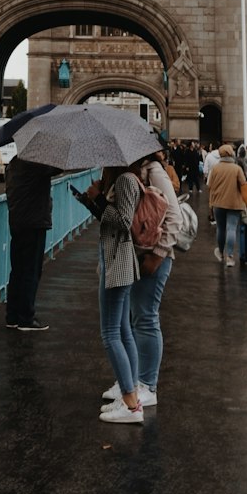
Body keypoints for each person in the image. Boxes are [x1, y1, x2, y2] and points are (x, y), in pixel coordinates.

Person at [111, 148, 181, 408]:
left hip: (153, 258)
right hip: (134, 256)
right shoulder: (127, 173)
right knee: (131, 319)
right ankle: (129, 381)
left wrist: (159, 254)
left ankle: (148, 385)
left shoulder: (153, 171)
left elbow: (175, 216)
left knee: (146, 318)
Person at [88, 164, 145, 425]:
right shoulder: (126, 179)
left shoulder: (124, 180)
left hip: (118, 260)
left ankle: (131, 404)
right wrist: (93, 201)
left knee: (110, 333)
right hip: (119, 259)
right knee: (123, 331)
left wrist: (99, 198)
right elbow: (110, 218)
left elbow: (123, 221)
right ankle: (130, 396)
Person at [4, 155, 59, 332]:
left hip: (17, 221)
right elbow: (58, 167)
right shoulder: (35, 163)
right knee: (31, 270)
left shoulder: (14, 163)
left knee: (18, 270)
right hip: (34, 222)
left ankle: (12, 316)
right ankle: (26, 318)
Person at [207, 143, 246, 267]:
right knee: (231, 228)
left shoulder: (215, 169)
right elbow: (243, 185)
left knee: (221, 228)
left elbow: (209, 186)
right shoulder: (237, 169)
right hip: (234, 203)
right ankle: (230, 256)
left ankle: (221, 252)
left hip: (218, 202)